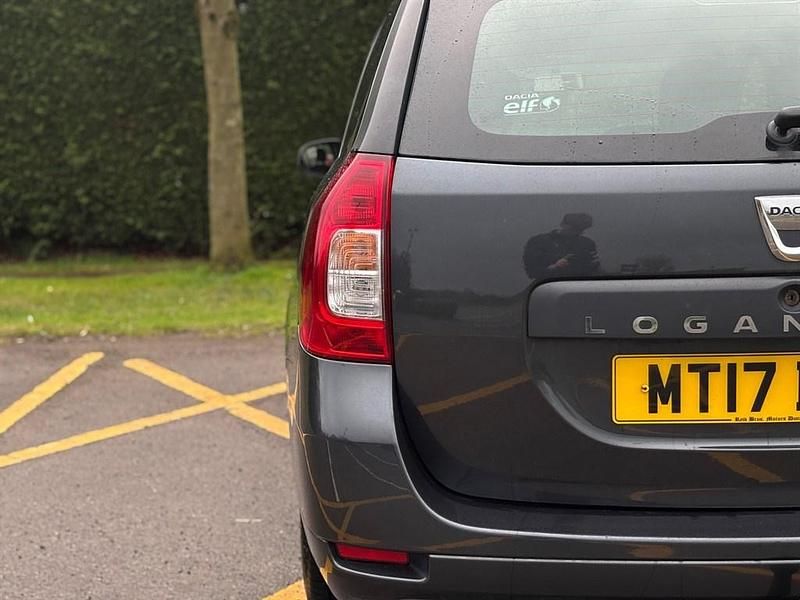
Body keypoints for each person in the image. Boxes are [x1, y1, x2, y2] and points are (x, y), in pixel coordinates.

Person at [523, 213, 600, 280]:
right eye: (574, 228)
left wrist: (594, 264)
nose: (576, 232)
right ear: (563, 224)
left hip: (582, 285)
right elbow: (532, 272)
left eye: (580, 229)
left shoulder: (587, 243)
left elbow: (594, 270)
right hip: (544, 286)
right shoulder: (539, 242)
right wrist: (555, 267)